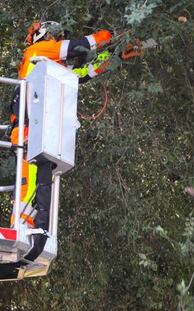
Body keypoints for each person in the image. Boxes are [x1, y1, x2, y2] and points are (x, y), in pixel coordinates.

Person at [9, 21, 113, 261]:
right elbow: (77, 47)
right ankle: (21, 230)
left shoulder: (52, 68)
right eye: (56, 37)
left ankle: (28, 228)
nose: (57, 40)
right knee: (29, 184)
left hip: (40, 134)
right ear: (43, 36)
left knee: (37, 187)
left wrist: (111, 57)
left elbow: (82, 74)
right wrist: (105, 37)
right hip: (28, 133)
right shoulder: (36, 52)